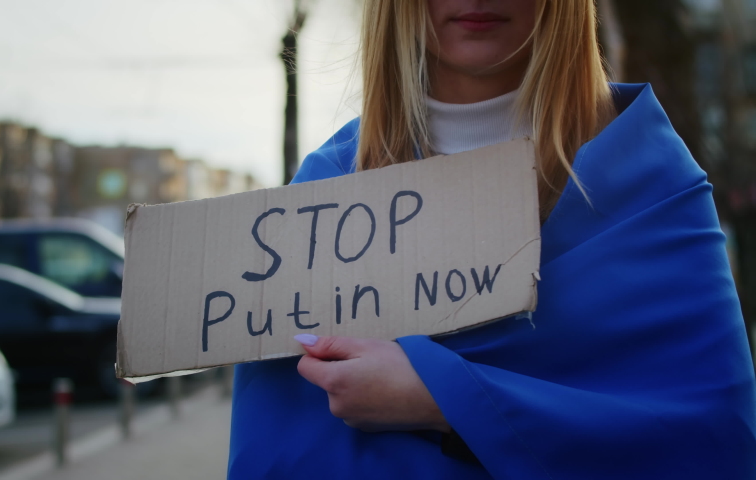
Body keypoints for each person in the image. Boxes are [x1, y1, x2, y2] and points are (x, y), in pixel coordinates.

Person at [228, 0, 756, 478]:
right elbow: (276, 448)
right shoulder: (324, 193)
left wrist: (444, 400)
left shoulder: (652, 179)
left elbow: (712, 437)